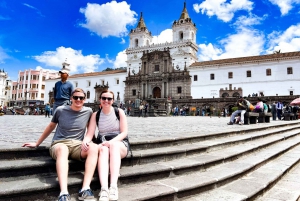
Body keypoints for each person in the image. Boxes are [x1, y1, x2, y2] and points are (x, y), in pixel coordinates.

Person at [22, 88, 98, 201]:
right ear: (71, 98)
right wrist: (37, 143)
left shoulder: (88, 111)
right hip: (59, 143)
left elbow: (89, 129)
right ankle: (63, 193)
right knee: (63, 149)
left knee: (94, 148)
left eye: (81, 98)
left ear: (84, 99)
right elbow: (51, 127)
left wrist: (95, 143)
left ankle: (85, 188)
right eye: (75, 97)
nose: (78, 99)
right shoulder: (60, 110)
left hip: (77, 145)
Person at [85, 90, 128, 201]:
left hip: (120, 143)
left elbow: (124, 133)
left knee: (113, 146)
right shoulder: (96, 115)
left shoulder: (119, 112)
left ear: (113, 101)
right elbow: (90, 134)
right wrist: (85, 141)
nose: (106, 101)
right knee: (103, 149)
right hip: (103, 143)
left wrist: (112, 142)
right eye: (104, 98)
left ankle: (113, 186)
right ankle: (104, 188)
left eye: (109, 99)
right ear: (100, 99)